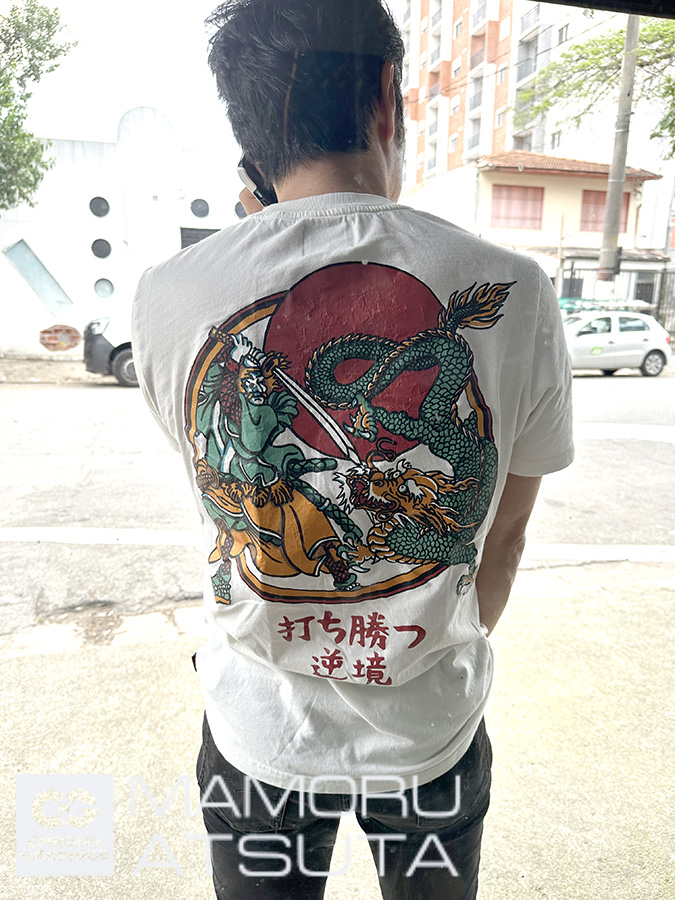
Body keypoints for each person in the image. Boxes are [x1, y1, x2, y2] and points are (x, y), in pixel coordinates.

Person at [131, 1, 574, 897]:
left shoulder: (166, 292)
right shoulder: (517, 288)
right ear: (384, 93)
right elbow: (504, 537)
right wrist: (423, 645)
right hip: (429, 730)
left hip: (259, 730)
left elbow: (216, 487)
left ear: (247, 127)